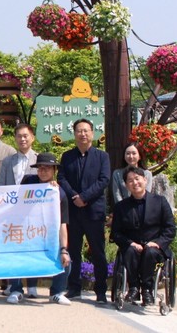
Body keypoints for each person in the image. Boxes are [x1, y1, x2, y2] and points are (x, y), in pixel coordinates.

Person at [59, 119, 111, 304]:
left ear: (92, 133)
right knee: (73, 251)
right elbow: (62, 178)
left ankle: (101, 291)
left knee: (98, 252)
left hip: (93, 211)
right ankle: (73, 288)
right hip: (73, 211)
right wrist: (75, 197)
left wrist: (85, 197)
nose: (83, 134)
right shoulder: (67, 156)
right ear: (74, 134)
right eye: (79, 131)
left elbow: (104, 180)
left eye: (86, 131)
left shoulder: (102, 156)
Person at [110, 166, 176, 306]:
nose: (134, 183)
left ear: (145, 180)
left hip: (154, 247)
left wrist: (157, 243)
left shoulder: (160, 202)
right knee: (129, 250)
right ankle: (133, 287)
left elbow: (170, 229)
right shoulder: (121, 207)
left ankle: (147, 289)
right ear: (126, 185)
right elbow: (116, 233)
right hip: (132, 246)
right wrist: (130, 243)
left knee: (150, 252)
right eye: (130, 181)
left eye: (137, 179)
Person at [14, 153, 72, 305]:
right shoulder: (28, 181)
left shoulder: (59, 193)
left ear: (54, 171)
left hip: (47, 239)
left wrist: (64, 249)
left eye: (47, 168)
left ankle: (56, 292)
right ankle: (16, 290)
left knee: (66, 259)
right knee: (14, 253)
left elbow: (62, 224)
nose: (43, 171)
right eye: (40, 167)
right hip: (26, 234)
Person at [0, 123, 40, 301]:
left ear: (32, 137)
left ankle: (32, 284)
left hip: (33, 211)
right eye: (19, 136)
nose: (22, 139)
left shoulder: (40, 160)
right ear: (15, 138)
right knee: (13, 246)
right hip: (12, 211)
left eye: (26, 136)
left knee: (32, 246)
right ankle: (13, 284)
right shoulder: (7, 161)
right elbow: (2, 186)